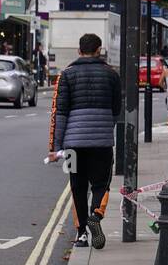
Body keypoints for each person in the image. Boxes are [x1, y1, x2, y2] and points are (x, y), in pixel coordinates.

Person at [47, 33, 122, 249]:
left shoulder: (66, 75)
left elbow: (58, 113)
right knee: (101, 184)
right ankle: (96, 215)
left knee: (77, 186)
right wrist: (106, 128)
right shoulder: (111, 75)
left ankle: (81, 235)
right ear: (99, 50)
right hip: (102, 144)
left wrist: (55, 148)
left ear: (79, 51)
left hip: (73, 145)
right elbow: (116, 110)